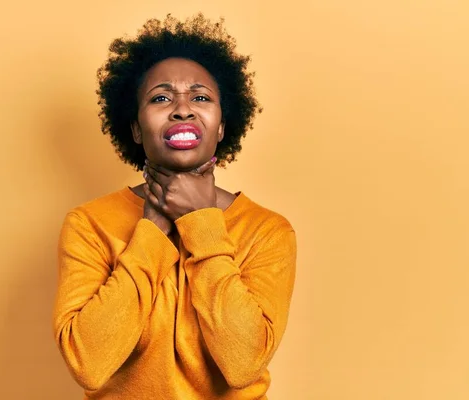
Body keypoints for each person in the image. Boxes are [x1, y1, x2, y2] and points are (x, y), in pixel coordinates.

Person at [52, 14, 297, 400]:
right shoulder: (90, 224)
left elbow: (243, 364)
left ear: (220, 126)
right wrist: (151, 229)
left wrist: (202, 222)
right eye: (161, 98)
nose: (182, 109)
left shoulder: (267, 231)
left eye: (200, 97)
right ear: (135, 128)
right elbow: (89, 364)